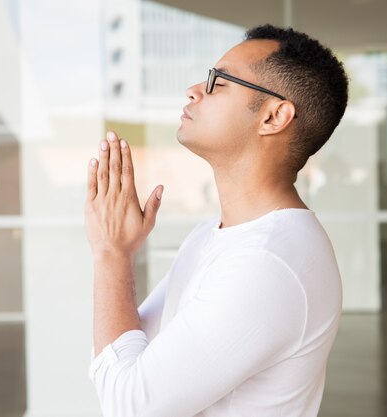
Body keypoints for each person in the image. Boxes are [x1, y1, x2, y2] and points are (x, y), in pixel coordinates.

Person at [85, 24, 348, 417]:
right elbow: (125, 353)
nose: (194, 90)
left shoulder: (268, 262)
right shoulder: (214, 233)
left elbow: (129, 404)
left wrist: (112, 254)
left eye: (219, 82)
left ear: (274, 116)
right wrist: (114, 251)